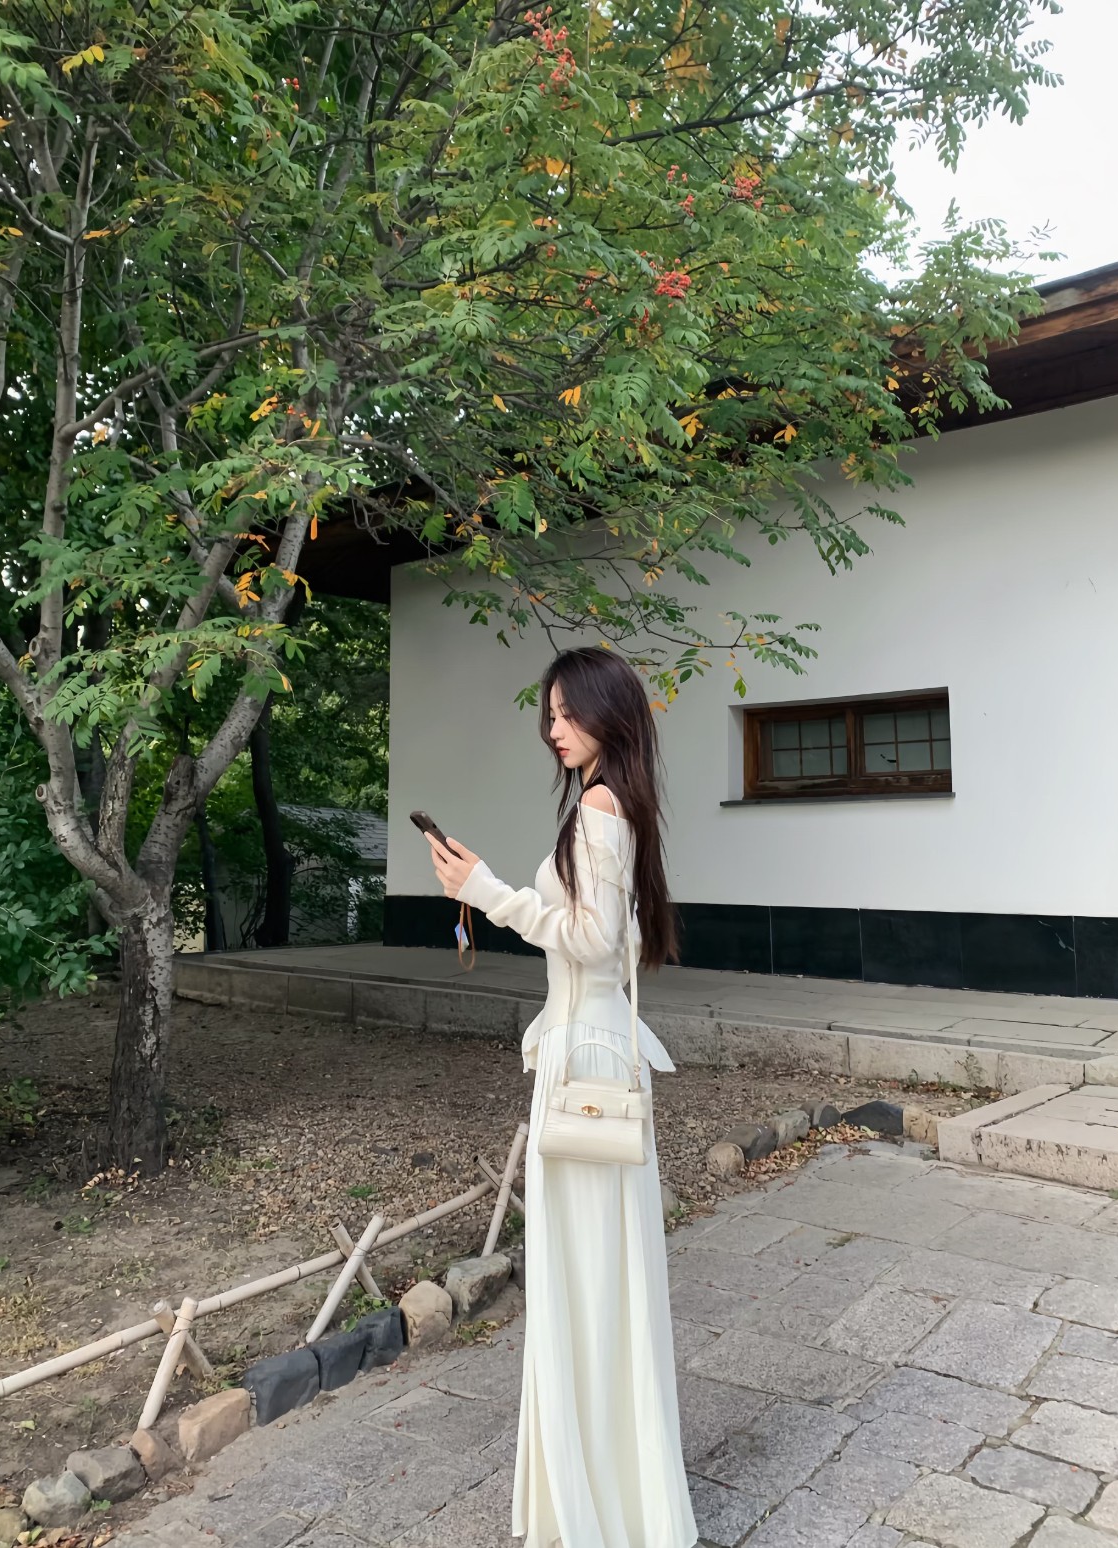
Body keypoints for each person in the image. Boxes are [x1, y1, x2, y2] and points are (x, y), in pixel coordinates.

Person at [425, 645, 699, 1548]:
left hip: (583, 1060)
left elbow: (590, 938)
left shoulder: (599, 809)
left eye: (567, 712)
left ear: (606, 713)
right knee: (600, 1276)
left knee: (584, 1277)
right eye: (548, 715)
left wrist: (488, 892)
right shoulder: (618, 805)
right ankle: (614, 1496)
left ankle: (596, 1505)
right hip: (595, 1045)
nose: (554, 729)